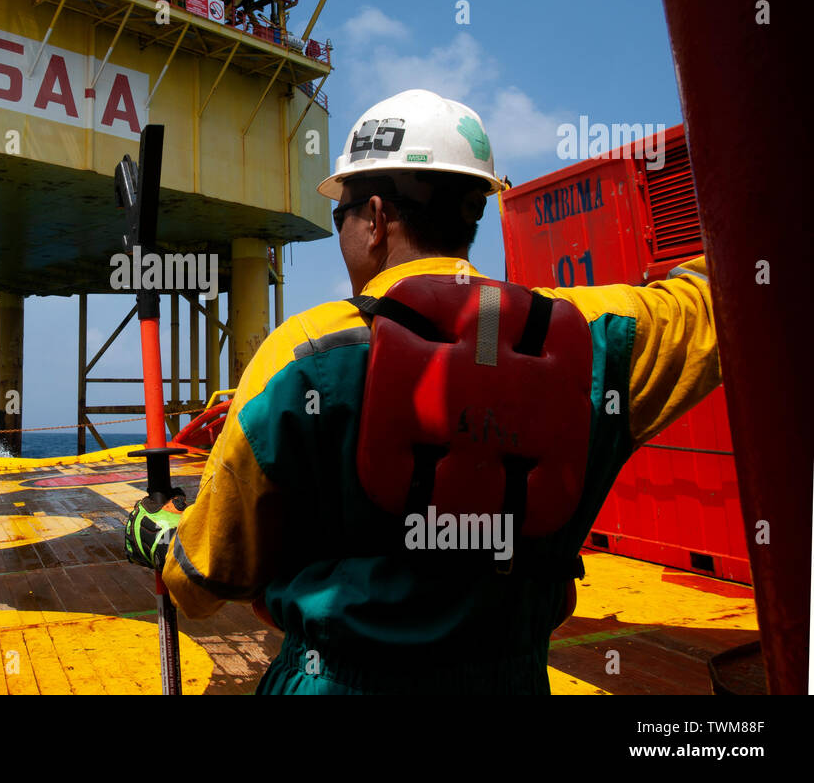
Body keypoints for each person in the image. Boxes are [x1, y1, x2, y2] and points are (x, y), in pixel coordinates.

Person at [124, 88, 720, 694]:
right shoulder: (599, 336)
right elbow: (722, 297)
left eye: (340, 216)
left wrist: (161, 534)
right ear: (472, 209)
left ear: (375, 219)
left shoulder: (303, 351)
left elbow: (207, 576)